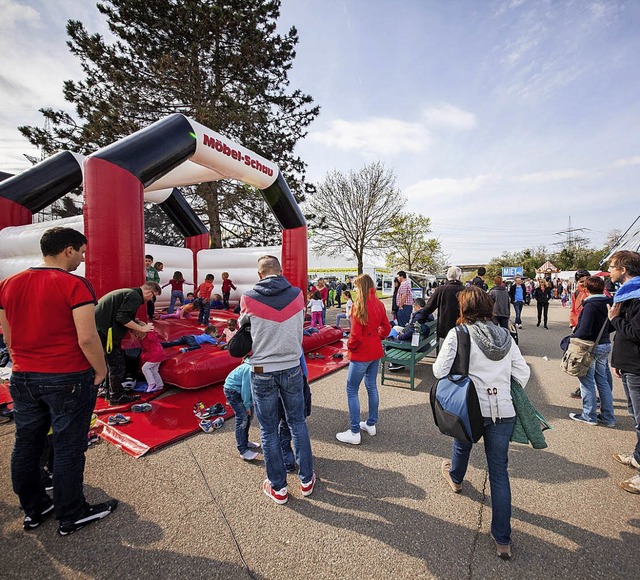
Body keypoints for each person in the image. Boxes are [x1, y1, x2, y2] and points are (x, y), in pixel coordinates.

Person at [0, 226, 117, 535]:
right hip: (67, 376)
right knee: (68, 446)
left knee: (26, 444)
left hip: (23, 373)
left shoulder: (8, 284)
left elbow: (8, 336)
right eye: (81, 252)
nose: (82, 258)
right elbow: (87, 338)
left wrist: (22, 363)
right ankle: (71, 512)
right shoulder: (75, 284)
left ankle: (35, 508)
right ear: (68, 250)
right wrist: (101, 370)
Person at [434, 286, 530, 560]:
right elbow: (522, 373)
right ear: (489, 307)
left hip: (470, 407)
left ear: (463, 308)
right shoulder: (505, 335)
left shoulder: (459, 333)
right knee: (499, 472)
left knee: (462, 444)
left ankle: (455, 477)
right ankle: (502, 538)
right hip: (503, 409)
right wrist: (501, 387)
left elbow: (440, 370)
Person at [239, 255, 315, 504]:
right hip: (292, 366)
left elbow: (243, 328)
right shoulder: (297, 294)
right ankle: (306, 480)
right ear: (281, 272)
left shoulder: (248, 297)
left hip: (261, 369)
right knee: (297, 423)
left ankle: (278, 487)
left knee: (269, 430)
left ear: (259, 274)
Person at [336, 274, 391, 445]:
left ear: (361, 287)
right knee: (371, 386)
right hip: (375, 350)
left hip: (361, 353)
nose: (353, 289)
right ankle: (371, 424)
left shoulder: (359, 305)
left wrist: (350, 347)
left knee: (352, 389)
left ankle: (354, 432)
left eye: (355, 286)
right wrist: (376, 337)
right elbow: (386, 328)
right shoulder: (379, 304)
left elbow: (355, 335)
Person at [95, 281, 161, 405]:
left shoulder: (128, 293)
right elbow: (122, 318)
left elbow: (121, 315)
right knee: (117, 365)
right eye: (153, 296)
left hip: (102, 330)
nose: (150, 299)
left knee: (111, 364)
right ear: (148, 292)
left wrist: (134, 323)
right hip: (106, 332)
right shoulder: (135, 296)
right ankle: (116, 396)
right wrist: (141, 328)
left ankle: (110, 392)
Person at [607, 251, 640, 494]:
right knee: (634, 414)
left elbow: (636, 332)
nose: (609, 272)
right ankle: (637, 456)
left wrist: (615, 318)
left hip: (637, 364)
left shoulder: (637, 296)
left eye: (612, 267)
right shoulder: (627, 293)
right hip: (629, 363)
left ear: (624, 268)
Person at [568, 276, 615, 427]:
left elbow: (585, 329)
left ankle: (589, 415)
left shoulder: (590, 305)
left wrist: (573, 336)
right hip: (605, 343)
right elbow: (613, 324)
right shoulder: (609, 302)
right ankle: (608, 417)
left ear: (587, 290)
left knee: (587, 381)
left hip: (589, 347)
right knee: (602, 381)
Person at [223, 359, 260, 461]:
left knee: (249, 416)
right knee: (243, 418)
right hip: (233, 391)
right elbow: (246, 389)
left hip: (241, 391)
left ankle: (245, 441)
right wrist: (247, 405)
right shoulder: (249, 368)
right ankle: (243, 450)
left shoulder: (258, 366)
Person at [387, 298, 434, 372]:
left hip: (414, 345)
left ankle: (396, 364)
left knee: (389, 342)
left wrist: (400, 336)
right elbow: (413, 329)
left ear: (418, 306)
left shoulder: (419, 316)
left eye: (414, 307)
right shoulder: (429, 315)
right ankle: (396, 363)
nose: (414, 309)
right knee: (396, 328)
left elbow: (411, 332)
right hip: (423, 342)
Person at [424, 266, 465, 341]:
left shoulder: (441, 290)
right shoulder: (466, 290)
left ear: (447, 276)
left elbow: (428, 308)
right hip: (462, 328)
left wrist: (419, 318)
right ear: (459, 277)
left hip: (445, 329)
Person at [569, 269, 591, 399]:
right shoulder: (576, 292)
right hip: (578, 331)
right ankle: (584, 389)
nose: (584, 283)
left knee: (596, 368)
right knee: (580, 363)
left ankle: (595, 395)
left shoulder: (594, 291)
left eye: (586, 280)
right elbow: (573, 310)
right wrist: (572, 325)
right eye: (581, 281)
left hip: (590, 334)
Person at [136, 329, 166, 393]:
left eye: (137, 333)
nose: (136, 335)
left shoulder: (150, 335)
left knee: (145, 368)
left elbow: (153, 335)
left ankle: (151, 382)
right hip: (155, 355)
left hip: (156, 355)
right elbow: (145, 349)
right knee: (154, 370)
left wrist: (149, 329)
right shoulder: (142, 339)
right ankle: (159, 385)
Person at [145, 255, 160, 320]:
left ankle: (151, 315)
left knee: (151, 302)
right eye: (146, 261)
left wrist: (155, 284)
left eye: (149, 261)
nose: (147, 262)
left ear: (152, 262)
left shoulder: (154, 270)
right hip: (145, 288)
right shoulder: (142, 268)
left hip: (152, 289)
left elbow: (157, 278)